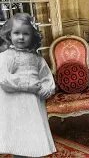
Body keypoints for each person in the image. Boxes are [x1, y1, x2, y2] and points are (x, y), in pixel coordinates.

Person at [0, 13, 56, 157]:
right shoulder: (7, 56)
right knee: (20, 138)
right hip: (15, 105)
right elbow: (4, 79)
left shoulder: (37, 58)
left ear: (33, 37)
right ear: (9, 34)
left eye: (26, 34)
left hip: (33, 105)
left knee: (33, 137)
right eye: (16, 33)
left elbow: (46, 77)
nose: (21, 37)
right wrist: (27, 85)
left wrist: (46, 89)